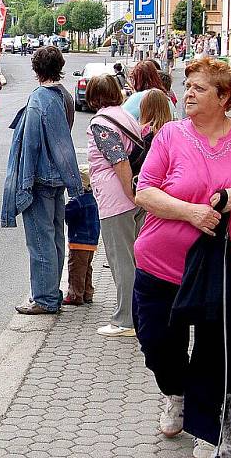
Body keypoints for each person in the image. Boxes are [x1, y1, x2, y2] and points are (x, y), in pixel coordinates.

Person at [132, 58, 231, 457]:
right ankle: (176, 392)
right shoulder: (170, 135)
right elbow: (144, 191)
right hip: (163, 265)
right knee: (157, 342)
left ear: (225, 98)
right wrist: (190, 211)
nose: (187, 93)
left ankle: (211, 430)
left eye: (199, 88)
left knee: (223, 352)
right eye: (187, 86)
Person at [1, 46, 82, 315]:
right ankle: (51, 294)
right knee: (56, 237)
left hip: (39, 180)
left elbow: (31, 147)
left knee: (39, 242)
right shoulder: (65, 95)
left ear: (36, 70)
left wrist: (23, 186)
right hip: (56, 179)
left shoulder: (39, 100)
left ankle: (45, 299)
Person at [85, 74, 144, 337]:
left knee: (121, 261)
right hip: (131, 192)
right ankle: (138, 315)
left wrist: (130, 194)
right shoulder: (125, 115)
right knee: (134, 258)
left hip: (116, 197)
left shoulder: (101, 122)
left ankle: (125, 320)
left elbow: (118, 160)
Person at [63, 169, 100, 306]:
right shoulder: (93, 198)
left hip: (79, 240)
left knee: (76, 269)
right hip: (92, 241)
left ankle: (75, 295)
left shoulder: (78, 201)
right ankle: (87, 292)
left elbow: (65, 214)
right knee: (86, 267)